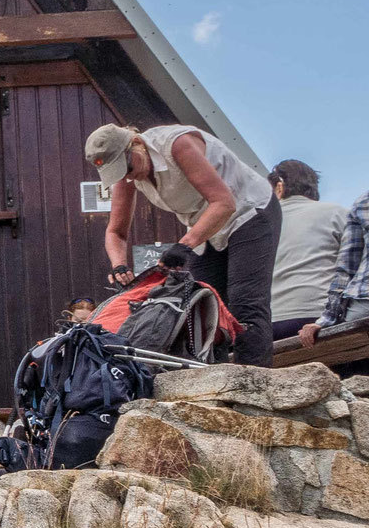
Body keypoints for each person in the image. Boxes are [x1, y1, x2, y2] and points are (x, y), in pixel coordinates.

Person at [86, 122, 281, 367]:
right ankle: (217, 382)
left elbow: (223, 203)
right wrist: (119, 265)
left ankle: (256, 384)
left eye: (127, 166)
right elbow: (116, 231)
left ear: (136, 143)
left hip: (248, 211)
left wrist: (183, 246)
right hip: (205, 225)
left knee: (245, 301)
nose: (127, 176)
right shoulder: (128, 176)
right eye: (118, 173)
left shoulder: (177, 144)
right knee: (206, 305)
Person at [268, 160, 348, 342]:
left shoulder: (258, 223)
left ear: (278, 188)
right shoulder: (337, 213)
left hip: (268, 324)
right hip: (319, 317)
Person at [303, 187, 369, 347]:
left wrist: (328, 317)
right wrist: (327, 318)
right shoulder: (363, 202)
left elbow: (347, 266)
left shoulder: (364, 202)